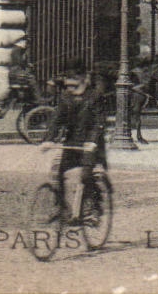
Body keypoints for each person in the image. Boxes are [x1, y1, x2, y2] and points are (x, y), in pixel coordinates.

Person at [40, 62, 104, 208]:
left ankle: (93, 207)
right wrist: (48, 140)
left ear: (83, 81)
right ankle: (62, 208)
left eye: (74, 86)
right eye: (68, 86)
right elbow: (56, 119)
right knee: (59, 173)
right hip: (72, 141)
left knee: (85, 176)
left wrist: (92, 141)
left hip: (90, 143)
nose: (70, 89)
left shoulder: (94, 97)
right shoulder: (65, 97)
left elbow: (98, 122)